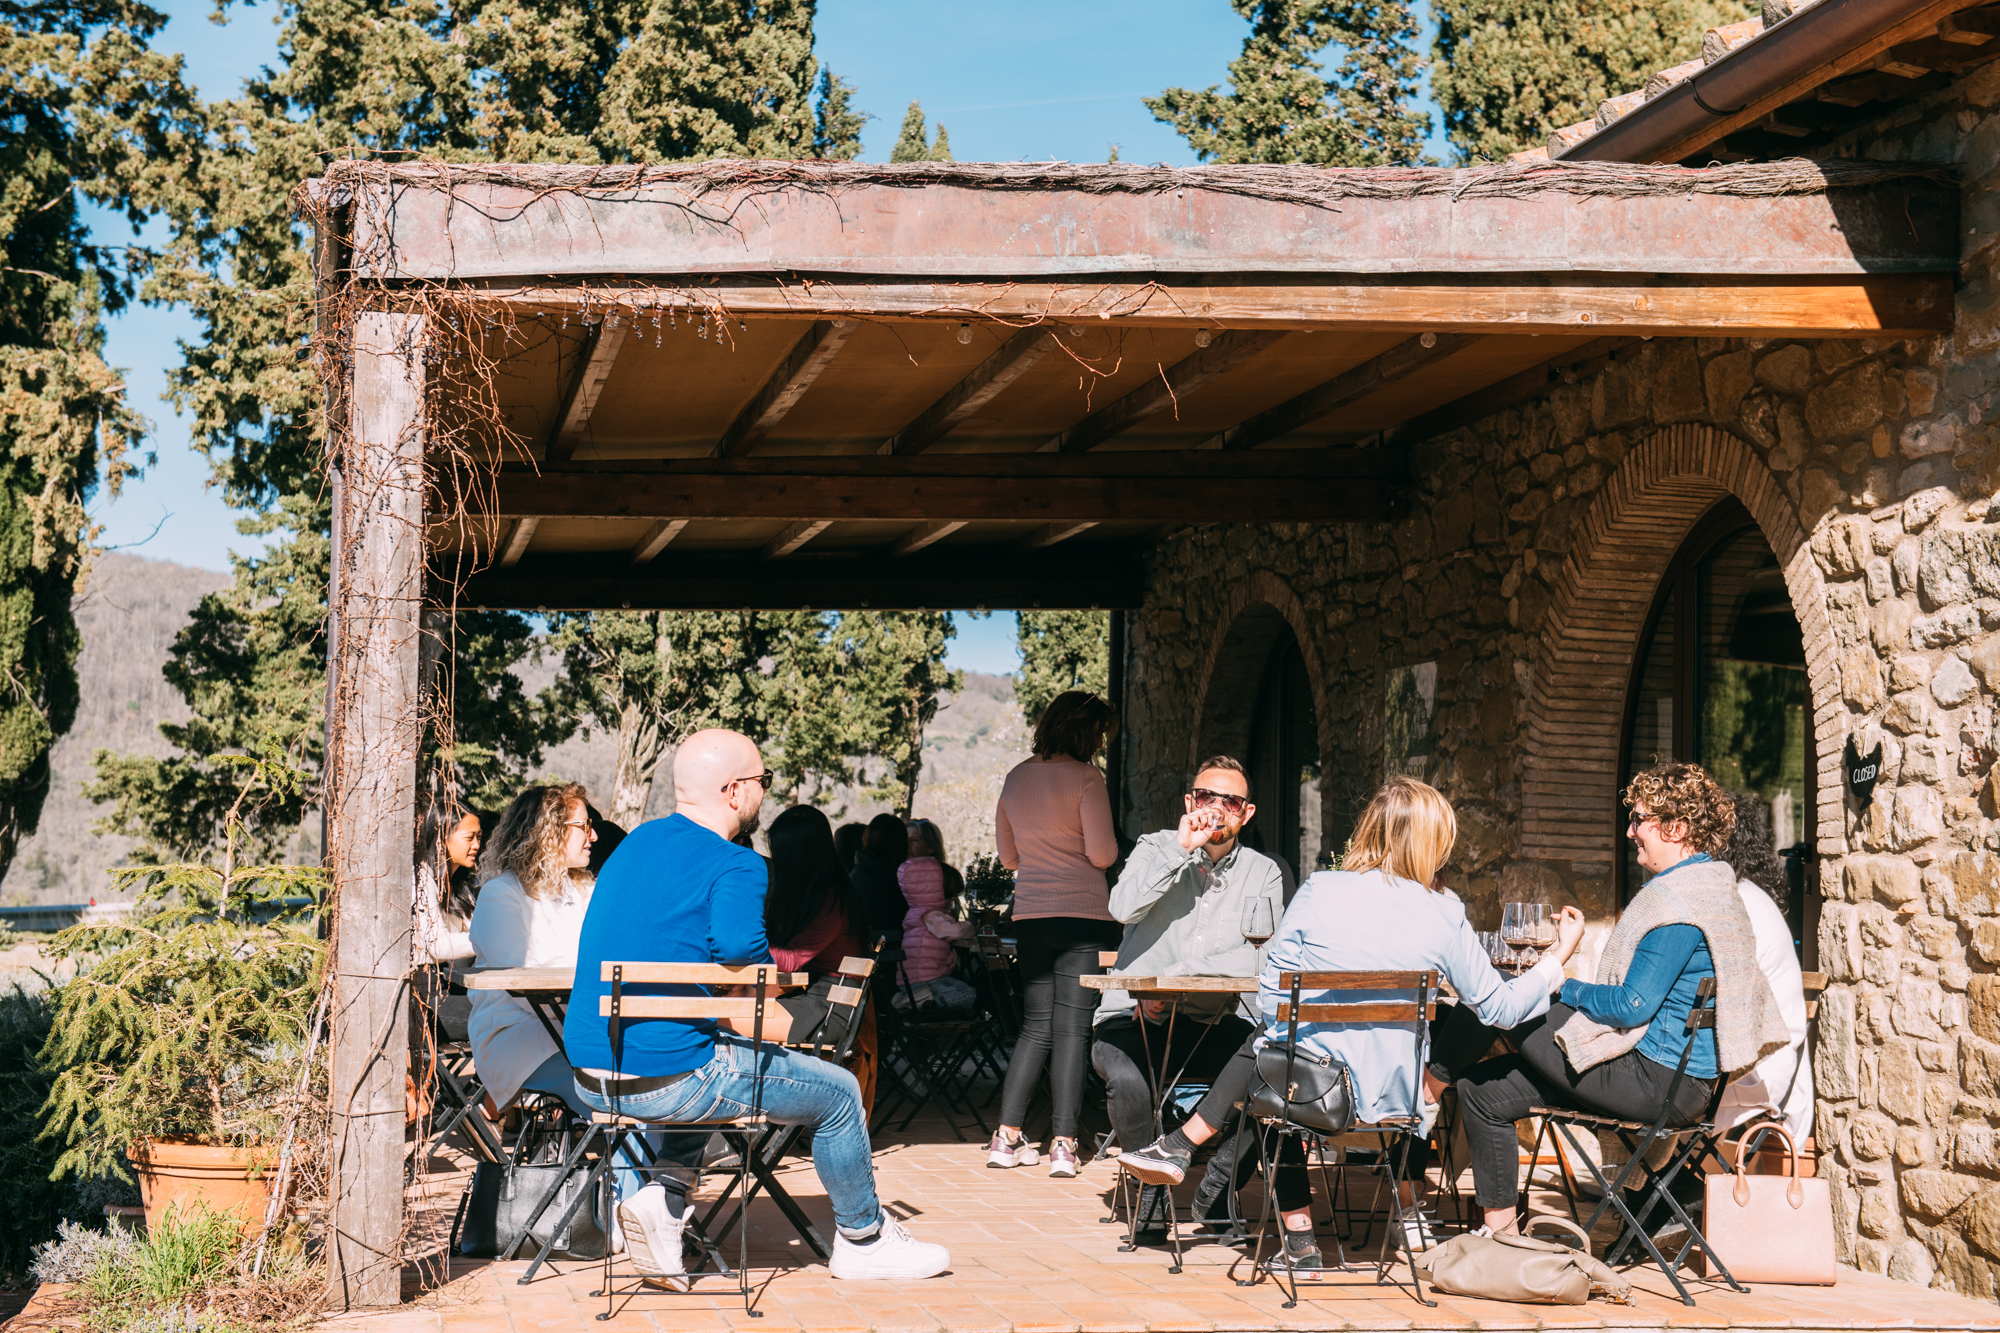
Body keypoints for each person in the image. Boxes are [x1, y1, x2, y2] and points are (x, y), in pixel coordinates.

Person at [1120, 776, 1586, 1271]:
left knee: (1271, 1058)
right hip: (1400, 1101)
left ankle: (1284, 1227)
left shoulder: (1321, 889)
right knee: (1276, 1056)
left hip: (1312, 1092)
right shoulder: (1446, 912)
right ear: (1433, 843)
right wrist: (1558, 957)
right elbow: (1499, 1010)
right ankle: (1184, 1149)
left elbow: (1275, 989)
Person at [563, 729, 950, 1285]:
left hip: (593, 1074)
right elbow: (744, 954)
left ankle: (665, 1202)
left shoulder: (633, 845)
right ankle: (864, 1241)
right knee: (838, 1092)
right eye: (763, 781)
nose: (764, 794)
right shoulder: (737, 864)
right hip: (670, 1076)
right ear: (735, 790)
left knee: (714, 1052)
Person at [1450, 763, 1789, 1240]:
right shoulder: (1709, 890)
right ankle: (1502, 1238)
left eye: (1638, 819)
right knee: (1483, 1090)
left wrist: (1557, 982)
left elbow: (1631, 1006)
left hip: (1655, 1084)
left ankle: (1424, 1089)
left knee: (1500, 1000)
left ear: (1675, 827)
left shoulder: (1679, 905)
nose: (1630, 832)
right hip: (1676, 1083)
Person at [1093, 755, 1286, 1238]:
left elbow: (1265, 959)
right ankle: (1152, 1196)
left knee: (1273, 1072)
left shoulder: (1264, 873)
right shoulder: (1155, 848)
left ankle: (1222, 1180)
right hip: (1137, 1017)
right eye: (1206, 797)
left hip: (1214, 1019)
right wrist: (1181, 847)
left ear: (1246, 813)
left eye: (1231, 801)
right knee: (1131, 1082)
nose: (1216, 809)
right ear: (1189, 802)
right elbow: (1121, 908)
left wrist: (1171, 975)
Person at [989, 690, 1121, 1178]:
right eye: (1100, 734)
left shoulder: (1016, 778)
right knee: (1071, 1029)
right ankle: (1063, 1146)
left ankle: (1005, 1136)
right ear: (1084, 731)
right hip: (1082, 915)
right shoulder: (1088, 778)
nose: (1103, 744)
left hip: (1032, 917)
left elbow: (1008, 858)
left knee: (1034, 1026)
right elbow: (1104, 855)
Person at [467, 784, 598, 1118]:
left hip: (578, 1025)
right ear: (549, 832)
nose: (593, 835)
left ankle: (657, 1159)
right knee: (612, 1087)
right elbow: (522, 986)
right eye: (584, 825)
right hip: (519, 1035)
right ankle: (660, 1157)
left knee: (647, 1069)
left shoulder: (584, 891)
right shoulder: (501, 894)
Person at [1713, 792, 1814, 1142]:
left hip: (1758, 1072)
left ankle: (1644, 1190)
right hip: (1754, 1060)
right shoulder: (1744, 894)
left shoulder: (1739, 903)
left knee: (1647, 1087)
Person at [897, 819, 975, 1010]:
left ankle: (920, 1006)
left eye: (914, 840)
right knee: (969, 993)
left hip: (913, 977)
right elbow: (949, 931)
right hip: (927, 978)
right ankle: (923, 1004)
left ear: (930, 846)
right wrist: (970, 926)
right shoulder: (931, 913)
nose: (908, 847)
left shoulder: (916, 908)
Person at [848, 814, 910, 948]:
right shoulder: (895, 883)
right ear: (902, 845)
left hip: (860, 956)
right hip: (890, 959)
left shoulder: (858, 874)